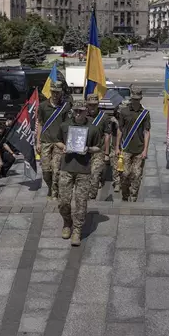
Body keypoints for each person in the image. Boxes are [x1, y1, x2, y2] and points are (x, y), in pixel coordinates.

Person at [55, 99, 102, 246]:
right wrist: (63, 147)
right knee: (63, 201)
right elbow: (57, 141)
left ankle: (77, 230)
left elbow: (98, 147)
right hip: (66, 168)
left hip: (83, 170)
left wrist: (88, 149)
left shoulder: (93, 128)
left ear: (86, 111)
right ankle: (67, 222)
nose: (78, 113)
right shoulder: (65, 126)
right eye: (76, 110)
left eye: (81, 111)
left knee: (81, 203)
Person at [36, 81, 71, 199]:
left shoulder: (65, 107)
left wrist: (67, 143)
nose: (55, 95)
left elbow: (68, 126)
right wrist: (38, 142)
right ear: (50, 91)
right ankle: (50, 187)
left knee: (56, 170)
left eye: (58, 92)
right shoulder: (43, 106)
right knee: (46, 171)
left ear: (61, 92)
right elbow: (40, 124)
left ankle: (55, 192)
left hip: (58, 143)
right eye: (53, 92)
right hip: (45, 141)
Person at [116, 87, 150, 202]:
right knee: (125, 174)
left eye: (137, 99)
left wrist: (145, 149)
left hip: (139, 149)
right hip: (126, 148)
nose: (135, 101)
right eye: (134, 99)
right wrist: (117, 147)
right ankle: (125, 195)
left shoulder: (145, 113)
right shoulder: (124, 111)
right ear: (131, 98)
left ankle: (134, 196)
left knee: (136, 174)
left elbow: (146, 132)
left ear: (140, 99)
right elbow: (120, 129)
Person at [86, 94, 110, 200]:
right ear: (87, 104)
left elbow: (107, 135)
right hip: (84, 150)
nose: (92, 107)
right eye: (90, 105)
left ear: (98, 105)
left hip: (98, 150)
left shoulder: (103, 117)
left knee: (95, 175)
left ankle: (92, 197)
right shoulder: (82, 115)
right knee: (84, 176)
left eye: (94, 105)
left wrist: (107, 154)